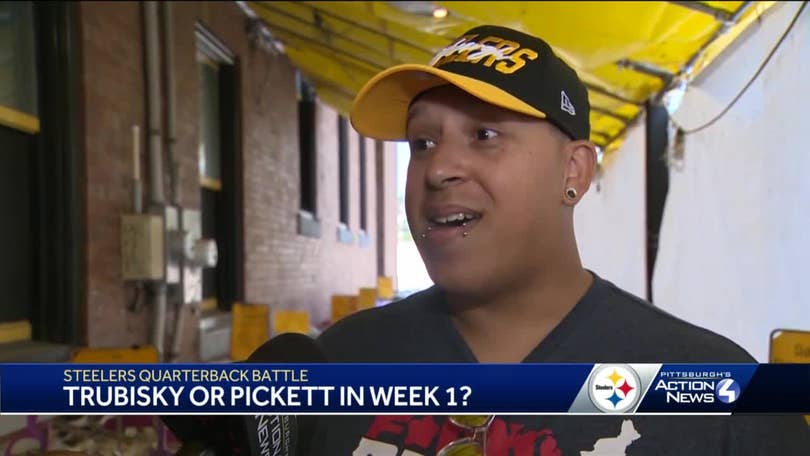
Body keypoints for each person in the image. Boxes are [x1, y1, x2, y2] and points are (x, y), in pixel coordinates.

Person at [313, 25, 809, 455]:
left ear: (573, 170)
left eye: (485, 135)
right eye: (423, 143)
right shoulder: (336, 363)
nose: (438, 169)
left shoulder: (721, 397)